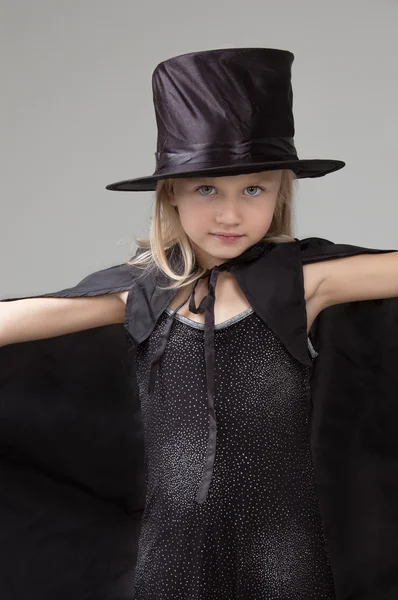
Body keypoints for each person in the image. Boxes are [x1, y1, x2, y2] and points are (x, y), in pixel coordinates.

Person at [1, 47, 398, 600]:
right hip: (172, 558)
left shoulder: (303, 283)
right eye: (207, 189)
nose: (230, 214)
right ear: (172, 196)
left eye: (253, 189)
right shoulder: (141, 293)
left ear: (282, 192)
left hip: (284, 558)